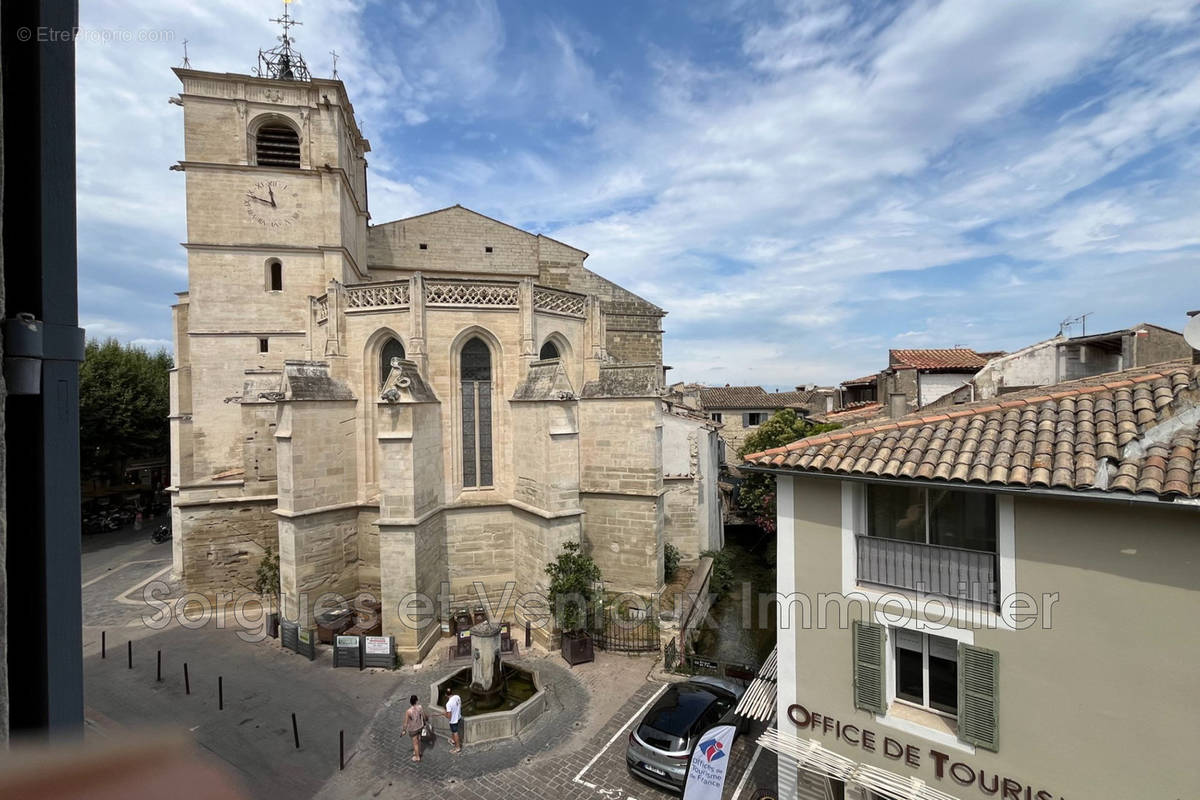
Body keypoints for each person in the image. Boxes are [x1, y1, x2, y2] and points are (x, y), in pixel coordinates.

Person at [404, 695, 428, 762]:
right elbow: (424, 716)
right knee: (419, 739)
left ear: (410, 702)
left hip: (413, 729)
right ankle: (418, 751)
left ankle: (417, 757)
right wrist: (426, 720)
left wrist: (404, 730)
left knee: (415, 743)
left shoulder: (408, 711)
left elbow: (406, 722)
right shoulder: (420, 707)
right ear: (416, 700)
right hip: (420, 726)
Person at [444, 690, 462, 754]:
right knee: (453, 731)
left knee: (455, 732)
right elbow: (460, 705)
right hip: (459, 717)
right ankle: (453, 740)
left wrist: (445, 714)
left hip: (453, 721)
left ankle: (458, 748)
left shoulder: (448, 704)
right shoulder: (457, 697)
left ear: (446, 695)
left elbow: (449, 716)